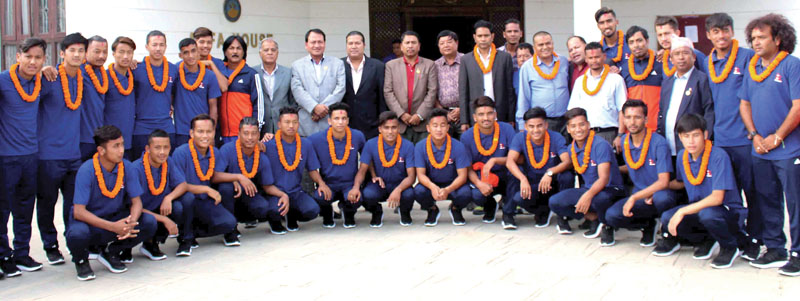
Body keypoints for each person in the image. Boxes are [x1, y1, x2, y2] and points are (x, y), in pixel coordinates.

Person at [739, 13, 800, 276]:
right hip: (760, 149)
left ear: (778, 38)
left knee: (795, 202)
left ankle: (798, 253)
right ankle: (775, 248)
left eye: (762, 37)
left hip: (789, 150)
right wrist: (755, 135)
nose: (756, 42)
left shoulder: (792, 66)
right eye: (753, 38)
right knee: (766, 200)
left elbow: (798, 107)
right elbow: (744, 104)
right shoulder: (753, 69)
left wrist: (777, 137)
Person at [652, 114, 749, 270]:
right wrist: (659, 187)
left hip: (725, 212)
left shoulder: (718, 156)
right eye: (686, 136)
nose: (691, 141)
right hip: (699, 208)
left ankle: (730, 246)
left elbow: (717, 198)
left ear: (705, 134)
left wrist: (682, 211)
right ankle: (706, 239)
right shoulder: (683, 156)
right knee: (667, 216)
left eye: (696, 135)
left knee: (707, 214)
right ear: (680, 138)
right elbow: (681, 183)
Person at [66, 125, 157, 281]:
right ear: (101, 151)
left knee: (149, 222)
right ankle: (81, 261)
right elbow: (78, 212)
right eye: (116, 146)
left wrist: (131, 223)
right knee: (77, 234)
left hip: (116, 217)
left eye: (121, 144)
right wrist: (113, 227)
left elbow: (137, 202)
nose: (121, 150)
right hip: (91, 222)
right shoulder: (86, 170)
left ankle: (112, 251)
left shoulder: (126, 166)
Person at [703, 12, 759, 259]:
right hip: (721, 141)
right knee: (730, 195)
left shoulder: (747, 57)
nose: (721, 35)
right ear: (708, 35)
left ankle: (759, 237)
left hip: (745, 139)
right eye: (715, 31)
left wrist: (755, 131)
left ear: (732, 32)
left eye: (725, 30)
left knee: (754, 192)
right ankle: (739, 238)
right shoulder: (706, 62)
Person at [35, 33, 87, 266]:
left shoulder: (85, 77)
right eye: (72, 50)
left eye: (80, 51)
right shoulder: (50, 78)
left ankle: (73, 242)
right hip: (48, 155)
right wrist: (41, 69)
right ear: (62, 53)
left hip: (73, 155)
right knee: (46, 203)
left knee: (73, 204)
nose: (77, 55)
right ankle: (50, 246)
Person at [0, 37, 48, 276]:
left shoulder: (42, 81)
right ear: (17, 57)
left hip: (31, 156)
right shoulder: (3, 81)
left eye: (38, 58)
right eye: (28, 56)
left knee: (25, 208)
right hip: (5, 157)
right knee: (2, 210)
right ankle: (3, 255)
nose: (33, 61)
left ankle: (22, 254)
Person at [604, 100, 678, 247]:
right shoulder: (624, 141)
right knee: (612, 216)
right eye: (628, 117)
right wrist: (612, 169)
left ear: (645, 119)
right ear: (623, 119)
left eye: (637, 117)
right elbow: (633, 164)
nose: (632, 122)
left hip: (659, 193)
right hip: (640, 195)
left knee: (663, 199)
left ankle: (668, 233)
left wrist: (634, 197)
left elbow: (664, 181)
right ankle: (647, 225)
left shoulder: (658, 142)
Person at [549, 108, 625, 244]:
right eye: (573, 126)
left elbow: (604, 179)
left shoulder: (600, 145)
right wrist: (549, 173)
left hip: (610, 189)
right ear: (568, 129)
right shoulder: (571, 148)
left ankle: (608, 225)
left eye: (582, 124)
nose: (578, 129)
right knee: (555, 201)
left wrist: (587, 195)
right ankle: (594, 218)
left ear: (588, 125)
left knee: (598, 200)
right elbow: (568, 164)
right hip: (589, 188)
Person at [171, 114, 236, 249]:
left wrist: (234, 178)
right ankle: (185, 238)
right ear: (191, 133)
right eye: (200, 132)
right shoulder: (180, 153)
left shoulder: (215, 153)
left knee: (229, 222)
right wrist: (206, 189)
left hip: (205, 202)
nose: (205, 136)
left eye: (209, 132)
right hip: (186, 201)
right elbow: (179, 186)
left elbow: (216, 176)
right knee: (186, 200)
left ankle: (195, 232)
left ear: (213, 133)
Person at [216, 117, 290, 235]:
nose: (250, 138)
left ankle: (250, 218)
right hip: (230, 194)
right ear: (239, 134)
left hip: (248, 195)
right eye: (246, 133)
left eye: (254, 134)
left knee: (263, 207)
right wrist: (237, 177)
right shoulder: (227, 150)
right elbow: (215, 176)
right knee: (226, 188)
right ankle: (230, 229)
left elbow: (267, 186)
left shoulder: (261, 156)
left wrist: (283, 195)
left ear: (258, 135)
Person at [129, 130, 192, 260]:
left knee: (181, 204)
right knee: (147, 220)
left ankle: (154, 243)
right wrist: (164, 219)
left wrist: (169, 198)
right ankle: (125, 249)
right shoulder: (135, 169)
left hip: (159, 207)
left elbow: (183, 184)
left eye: (166, 147)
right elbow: (133, 206)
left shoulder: (168, 162)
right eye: (157, 148)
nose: (162, 152)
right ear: (147, 149)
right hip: (139, 212)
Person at [505, 107, 572, 229]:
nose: (536, 130)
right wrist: (523, 179)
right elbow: (510, 161)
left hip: (552, 183)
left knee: (567, 176)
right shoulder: (520, 138)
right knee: (516, 187)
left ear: (546, 125)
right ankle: (540, 211)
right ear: (525, 126)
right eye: (531, 126)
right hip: (532, 183)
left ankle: (563, 217)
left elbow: (567, 161)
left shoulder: (556, 137)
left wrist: (550, 173)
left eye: (539, 126)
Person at [353, 111, 416, 227]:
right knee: (367, 194)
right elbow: (362, 170)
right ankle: (376, 211)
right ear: (380, 129)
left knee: (410, 194)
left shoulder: (408, 145)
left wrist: (399, 189)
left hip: (400, 183)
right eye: (386, 128)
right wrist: (356, 187)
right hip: (379, 184)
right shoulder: (370, 144)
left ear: (399, 128)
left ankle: (405, 212)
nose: (390, 132)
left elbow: (411, 176)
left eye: (394, 128)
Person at [264, 107, 323, 231]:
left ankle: (292, 216)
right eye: (287, 122)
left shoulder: (305, 144)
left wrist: (321, 184)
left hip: (295, 192)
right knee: (273, 209)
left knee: (312, 210)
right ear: (279, 124)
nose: (291, 126)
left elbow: (312, 169)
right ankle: (275, 222)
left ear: (298, 124)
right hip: (275, 192)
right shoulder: (268, 145)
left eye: (294, 122)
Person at [460, 97, 516, 224]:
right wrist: (479, 184)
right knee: (475, 194)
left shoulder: (506, 129)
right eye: (481, 114)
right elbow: (467, 168)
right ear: (475, 117)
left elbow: (517, 158)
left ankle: (508, 214)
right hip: (483, 177)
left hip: (505, 174)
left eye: (489, 113)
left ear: (495, 115)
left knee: (517, 174)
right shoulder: (467, 136)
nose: (486, 118)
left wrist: (495, 160)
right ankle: (489, 206)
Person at [308, 103, 366, 228]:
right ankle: (327, 213)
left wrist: (356, 186)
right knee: (320, 197)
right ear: (329, 121)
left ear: (348, 120)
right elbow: (310, 165)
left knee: (357, 198)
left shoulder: (357, 136)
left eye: (343, 118)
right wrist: (321, 184)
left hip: (349, 184)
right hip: (328, 184)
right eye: (336, 119)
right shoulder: (316, 139)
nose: (340, 122)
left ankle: (348, 212)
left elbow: (365, 163)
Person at [656, 35, 714, 158]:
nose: (681, 57)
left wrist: (706, 138)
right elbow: (662, 112)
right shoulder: (667, 82)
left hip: (692, 147)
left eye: (685, 53)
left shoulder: (701, 79)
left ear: (693, 57)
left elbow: (709, 110)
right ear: (671, 59)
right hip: (668, 145)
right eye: (677, 54)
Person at [414, 108, 471, 226]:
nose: (439, 129)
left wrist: (448, 190)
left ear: (448, 127)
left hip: (453, 185)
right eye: (435, 126)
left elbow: (463, 176)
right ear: (428, 128)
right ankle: (432, 209)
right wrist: (433, 187)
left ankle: (456, 208)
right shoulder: (420, 146)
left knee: (466, 193)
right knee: (418, 191)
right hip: (432, 184)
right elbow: (420, 175)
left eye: (442, 125)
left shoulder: (458, 146)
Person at [459, 20, 515, 131]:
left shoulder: (504, 58)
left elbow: (509, 90)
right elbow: (463, 92)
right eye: (480, 36)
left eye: (486, 35)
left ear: (492, 36)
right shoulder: (466, 59)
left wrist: (511, 117)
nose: (483, 39)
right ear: (474, 37)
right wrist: (464, 120)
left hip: (500, 112)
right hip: (476, 113)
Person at [567, 42, 627, 146]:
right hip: (585, 134)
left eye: (597, 57)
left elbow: (622, 109)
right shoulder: (580, 81)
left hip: (609, 133)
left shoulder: (616, 79)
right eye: (590, 58)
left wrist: (620, 135)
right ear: (586, 59)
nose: (594, 61)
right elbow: (573, 111)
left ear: (604, 57)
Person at [384, 31, 438, 143]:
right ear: (401, 47)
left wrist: (420, 115)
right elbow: (388, 92)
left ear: (419, 46)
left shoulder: (429, 65)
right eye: (407, 43)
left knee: (423, 157)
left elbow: (432, 91)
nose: (410, 46)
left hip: (422, 124)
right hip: (399, 123)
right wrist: (401, 114)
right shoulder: (391, 65)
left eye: (413, 43)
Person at [290, 28, 346, 137]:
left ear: (324, 44)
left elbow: (341, 88)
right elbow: (297, 90)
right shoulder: (297, 65)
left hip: (330, 121)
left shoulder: (337, 64)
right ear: (306, 45)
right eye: (313, 42)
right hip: (306, 122)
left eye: (320, 42)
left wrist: (323, 109)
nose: (317, 45)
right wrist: (314, 107)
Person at [132, 30, 177, 160]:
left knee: (166, 164)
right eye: (154, 44)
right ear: (147, 47)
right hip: (142, 127)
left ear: (166, 47)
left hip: (166, 126)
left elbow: (174, 93)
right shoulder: (136, 69)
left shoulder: (173, 69)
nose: (158, 48)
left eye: (161, 45)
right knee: (141, 165)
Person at [516, 31, 570, 134]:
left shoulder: (563, 62)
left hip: (565, 120)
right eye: (541, 45)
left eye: (548, 43)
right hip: (541, 122)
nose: (545, 47)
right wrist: (522, 124)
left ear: (553, 44)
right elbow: (524, 97)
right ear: (534, 47)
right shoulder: (527, 67)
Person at [173, 38, 222, 146]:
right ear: (180, 55)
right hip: (181, 131)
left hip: (203, 131)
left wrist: (211, 132)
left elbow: (213, 107)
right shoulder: (175, 71)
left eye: (193, 51)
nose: (190, 56)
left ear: (198, 52)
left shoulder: (210, 75)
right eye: (186, 52)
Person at [342, 31, 386, 139]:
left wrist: (382, 122)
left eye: (357, 43)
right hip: (345, 124)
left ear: (364, 45)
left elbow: (382, 96)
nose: (354, 46)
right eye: (350, 43)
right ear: (346, 46)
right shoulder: (338, 65)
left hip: (371, 125)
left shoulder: (378, 66)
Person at [620, 26, 663, 131]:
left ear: (647, 41)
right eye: (631, 42)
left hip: (657, 127)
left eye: (639, 40)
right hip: (633, 129)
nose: (636, 45)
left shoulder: (660, 63)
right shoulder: (624, 69)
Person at [219, 35, 259, 143]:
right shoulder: (218, 73)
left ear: (244, 52)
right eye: (231, 48)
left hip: (244, 134)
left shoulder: (251, 74)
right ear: (225, 52)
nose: (235, 51)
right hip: (221, 134)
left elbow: (258, 105)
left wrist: (255, 130)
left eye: (238, 48)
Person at [77, 36, 110, 161]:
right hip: (82, 139)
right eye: (96, 51)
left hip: (100, 138)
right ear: (85, 51)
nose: (101, 56)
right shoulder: (78, 71)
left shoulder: (104, 74)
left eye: (104, 52)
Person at [254, 38, 294, 138]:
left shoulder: (288, 73)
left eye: (273, 50)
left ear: (277, 53)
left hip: (283, 126)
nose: (270, 53)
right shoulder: (253, 73)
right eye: (266, 50)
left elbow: (293, 101)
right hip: (260, 127)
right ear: (260, 53)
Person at [106, 37, 137, 160]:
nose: (125, 56)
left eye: (129, 52)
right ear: (113, 54)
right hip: (110, 140)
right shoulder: (104, 77)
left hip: (130, 139)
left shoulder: (134, 75)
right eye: (121, 52)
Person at [434, 30, 464, 137]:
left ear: (457, 43)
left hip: (465, 113)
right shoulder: (435, 65)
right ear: (438, 46)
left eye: (449, 42)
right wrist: (443, 112)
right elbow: (431, 91)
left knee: (467, 145)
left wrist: (462, 108)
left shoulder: (467, 60)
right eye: (442, 43)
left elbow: (474, 87)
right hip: (444, 115)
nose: (446, 45)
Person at [192, 26, 230, 93]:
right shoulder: (186, 63)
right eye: (202, 42)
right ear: (194, 44)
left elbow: (224, 88)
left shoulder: (218, 63)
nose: (206, 45)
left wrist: (211, 64)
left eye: (209, 42)